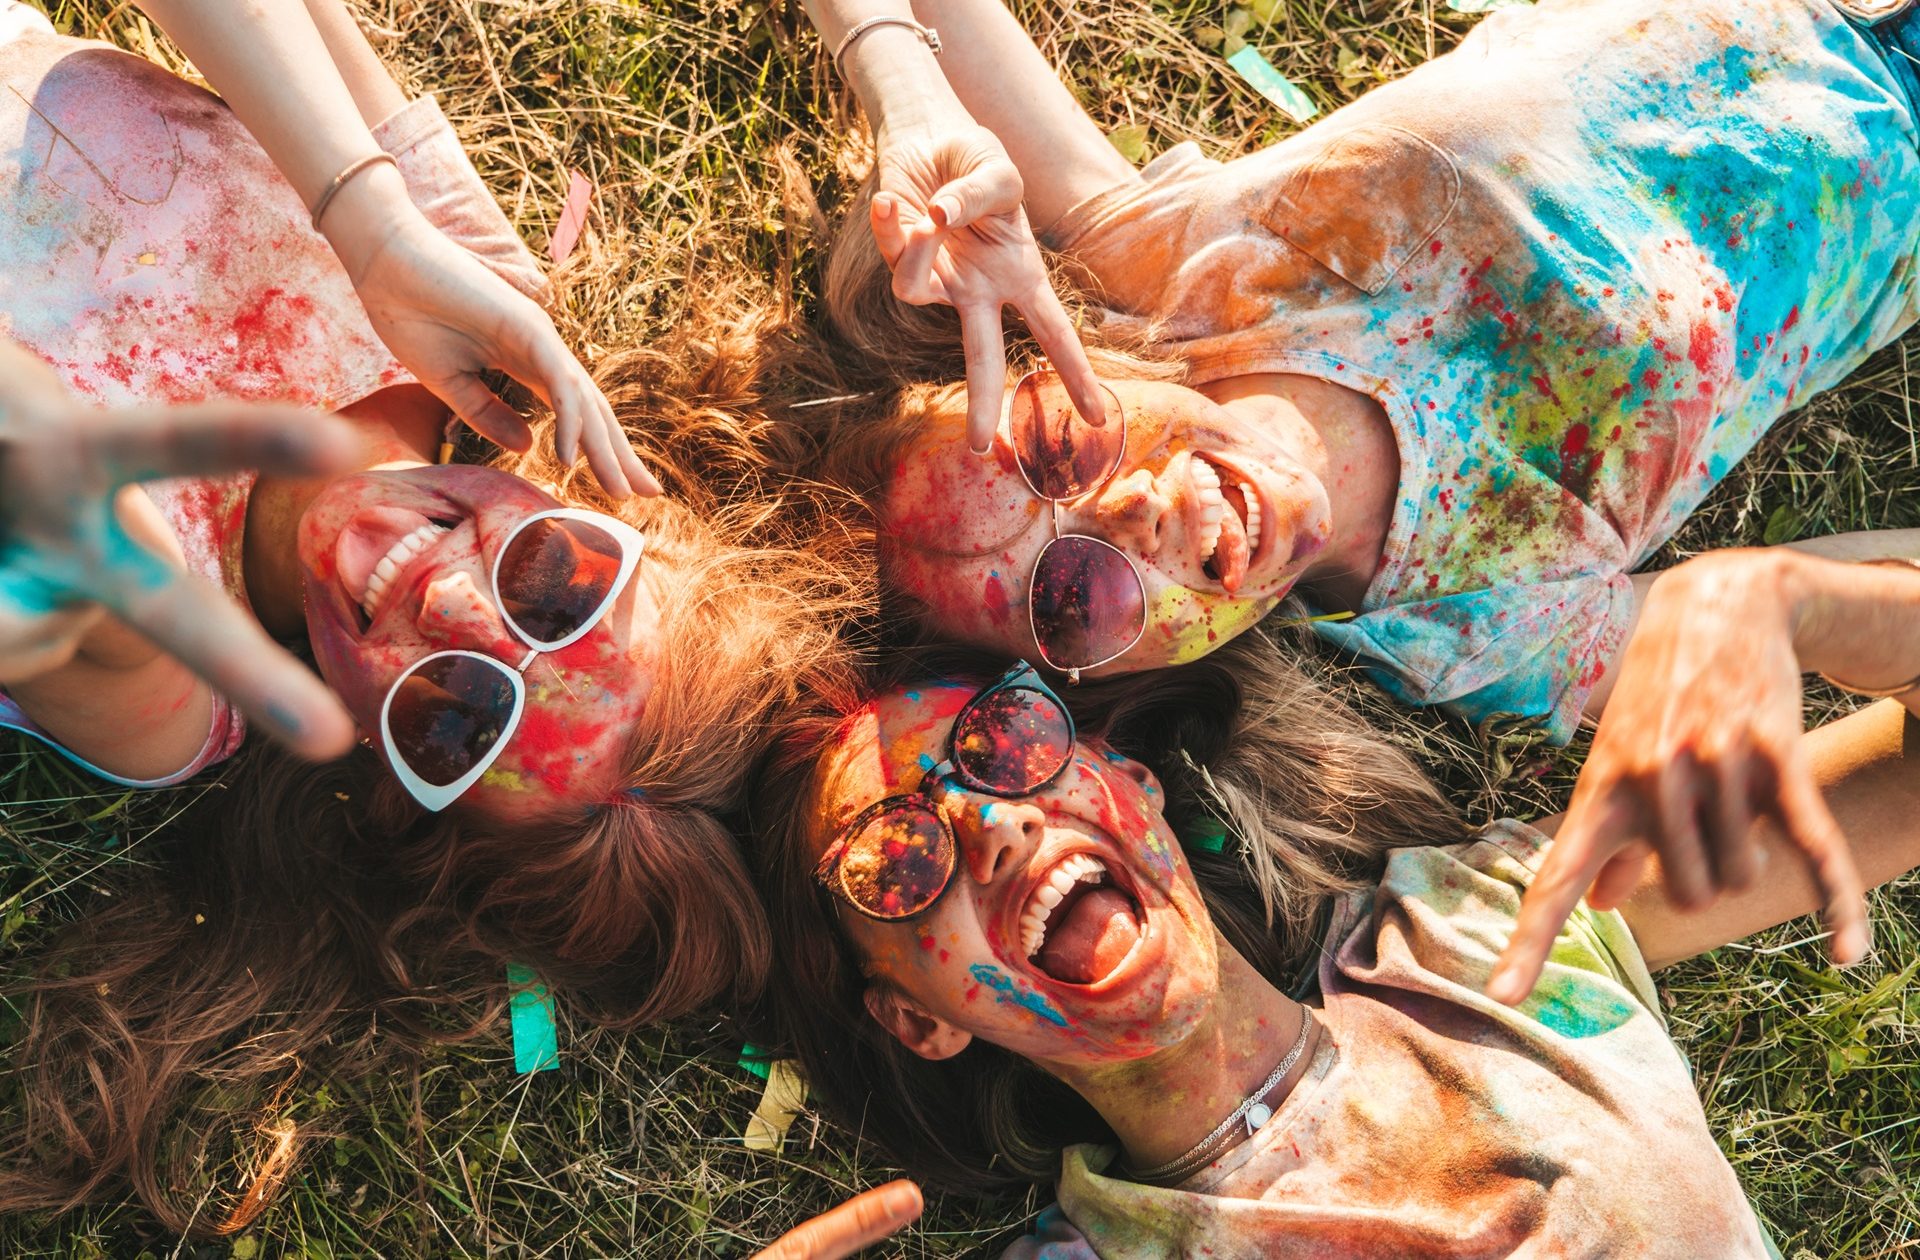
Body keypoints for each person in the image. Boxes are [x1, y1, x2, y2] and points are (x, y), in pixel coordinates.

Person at [0, 11, 864, 1232]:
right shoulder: (464, 304)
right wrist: (378, 224)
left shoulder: (170, 681)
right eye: (558, 587)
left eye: (459, 717)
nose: (450, 600)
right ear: (624, 516)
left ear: (394, 790)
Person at [745, 548, 1920, 1259]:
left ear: (1137, 789)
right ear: (917, 1018)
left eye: (1005, 741)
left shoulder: (1487, 929)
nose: (989, 822)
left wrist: (1786, 602)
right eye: (896, 863)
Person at [801, 0, 1920, 734]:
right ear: (1118, 683)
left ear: (1065, 355)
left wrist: (909, 100)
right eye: (1075, 593)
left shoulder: (1172, 269)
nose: (1132, 510)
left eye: (1054, 448)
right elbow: (1816, 609)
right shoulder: (1471, 629)